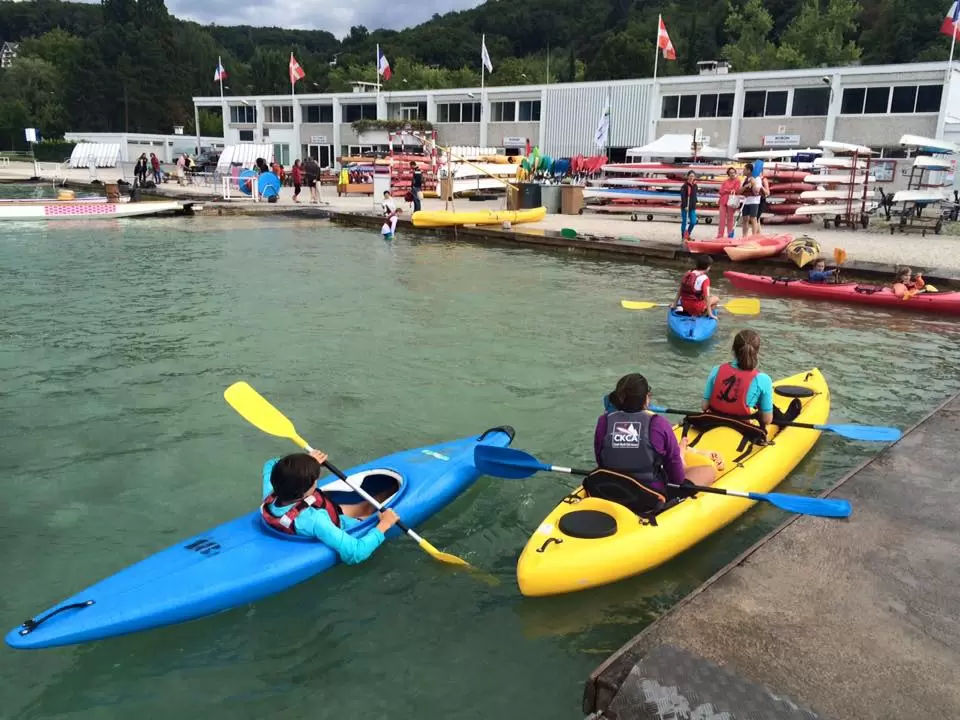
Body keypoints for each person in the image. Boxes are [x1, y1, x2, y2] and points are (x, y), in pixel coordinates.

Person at [261, 450, 400, 564]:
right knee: (372, 514)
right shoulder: (315, 519)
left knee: (365, 506)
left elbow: (270, 464)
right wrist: (384, 525)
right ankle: (382, 504)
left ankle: (375, 502)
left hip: (316, 518)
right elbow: (355, 553)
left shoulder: (270, 491)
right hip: (339, 526)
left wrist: (307, 463)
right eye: (315, 479)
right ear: (305, 491)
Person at [595, 375, 719, 503]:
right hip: (649, 496)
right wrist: (681, 460)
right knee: (708, 471)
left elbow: (601, 461)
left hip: (609, 489)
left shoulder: (603, 421)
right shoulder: (658, 423)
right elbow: (677, 477)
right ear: (646, 399)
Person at [702, 329, 774, 426]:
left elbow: (704, 406)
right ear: (757, 352)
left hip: (712, 422)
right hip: (741, 427)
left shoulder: (716, 370)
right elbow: (767, 419)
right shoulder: (764, 380)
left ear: (733, 349)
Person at [671, 254, 719, 319]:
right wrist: (711, 314)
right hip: (696, 308)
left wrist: (674, 304)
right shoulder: (705, 278)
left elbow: (680, 289)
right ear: (708, 267)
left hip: (684, 304)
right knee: (716, 298)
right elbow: (706, 297)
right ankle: (703, 315)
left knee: (705, 297)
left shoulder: (688, 273)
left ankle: (689, 311)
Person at [717, 166, 741, 240]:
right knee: (722, 219)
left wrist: (726, 190)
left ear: (735, 173)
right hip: (723, 201)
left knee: (730, 219)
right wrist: (729, 190)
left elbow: (736, 190)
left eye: (733, 172)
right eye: (730, 173)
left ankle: (730, 236)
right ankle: (720, 235)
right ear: (728, 174)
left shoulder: (738, 181)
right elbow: (720, 191)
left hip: (731, 202)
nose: (732, 174)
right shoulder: (725, 181)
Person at [740, 164, 763, 237]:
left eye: (744, 170)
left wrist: (753, 183)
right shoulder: (744, 179)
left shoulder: (757, 178)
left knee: (753, 218)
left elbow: (756, 191)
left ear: (749, 170)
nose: (743, 171)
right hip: (745, 201)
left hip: (754, 201)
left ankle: (754, 236)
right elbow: (739, 191)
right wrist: (745, 186)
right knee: (745, 219)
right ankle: (744, 236)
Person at [679, 170, 698, 241]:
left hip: (692, 207)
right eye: (690, 176)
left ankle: (688, 234)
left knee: (693, 221)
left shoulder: (695, 186)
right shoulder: (684, 186)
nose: (691, 177)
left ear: (694, 177)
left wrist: (696, 202)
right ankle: (683, 236)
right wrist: (685, 206)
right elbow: (683, 197)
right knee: (685, 221)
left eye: (693, 176)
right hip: (685, 207)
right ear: (688, 177)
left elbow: (694, 195)